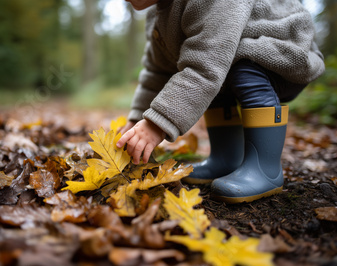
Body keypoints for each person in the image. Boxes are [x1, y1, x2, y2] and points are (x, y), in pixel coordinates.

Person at [117, 0, 325, 203]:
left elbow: (205, 65)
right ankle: (226, 159)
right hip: (227, 57)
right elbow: (158, 72)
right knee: (218, 80)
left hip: (283, 50)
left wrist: (157, 123)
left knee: (239, 67)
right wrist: (138, 118)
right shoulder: (158, 14)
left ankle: (265, 169)